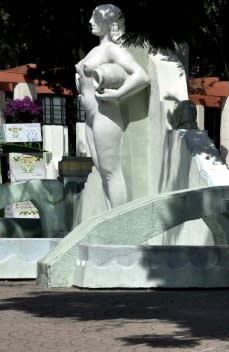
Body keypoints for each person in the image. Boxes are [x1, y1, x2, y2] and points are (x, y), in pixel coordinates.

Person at [75, 4, 150, 209]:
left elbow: (141, 76)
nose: (90, 21)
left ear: (108, 23)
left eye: (94, 17)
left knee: (111, 171)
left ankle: (120, 226)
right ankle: (111, 219)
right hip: (90, 117)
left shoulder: (111, 49)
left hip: (105, 115)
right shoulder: (95, 50)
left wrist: (117, 94)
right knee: (102, 172)